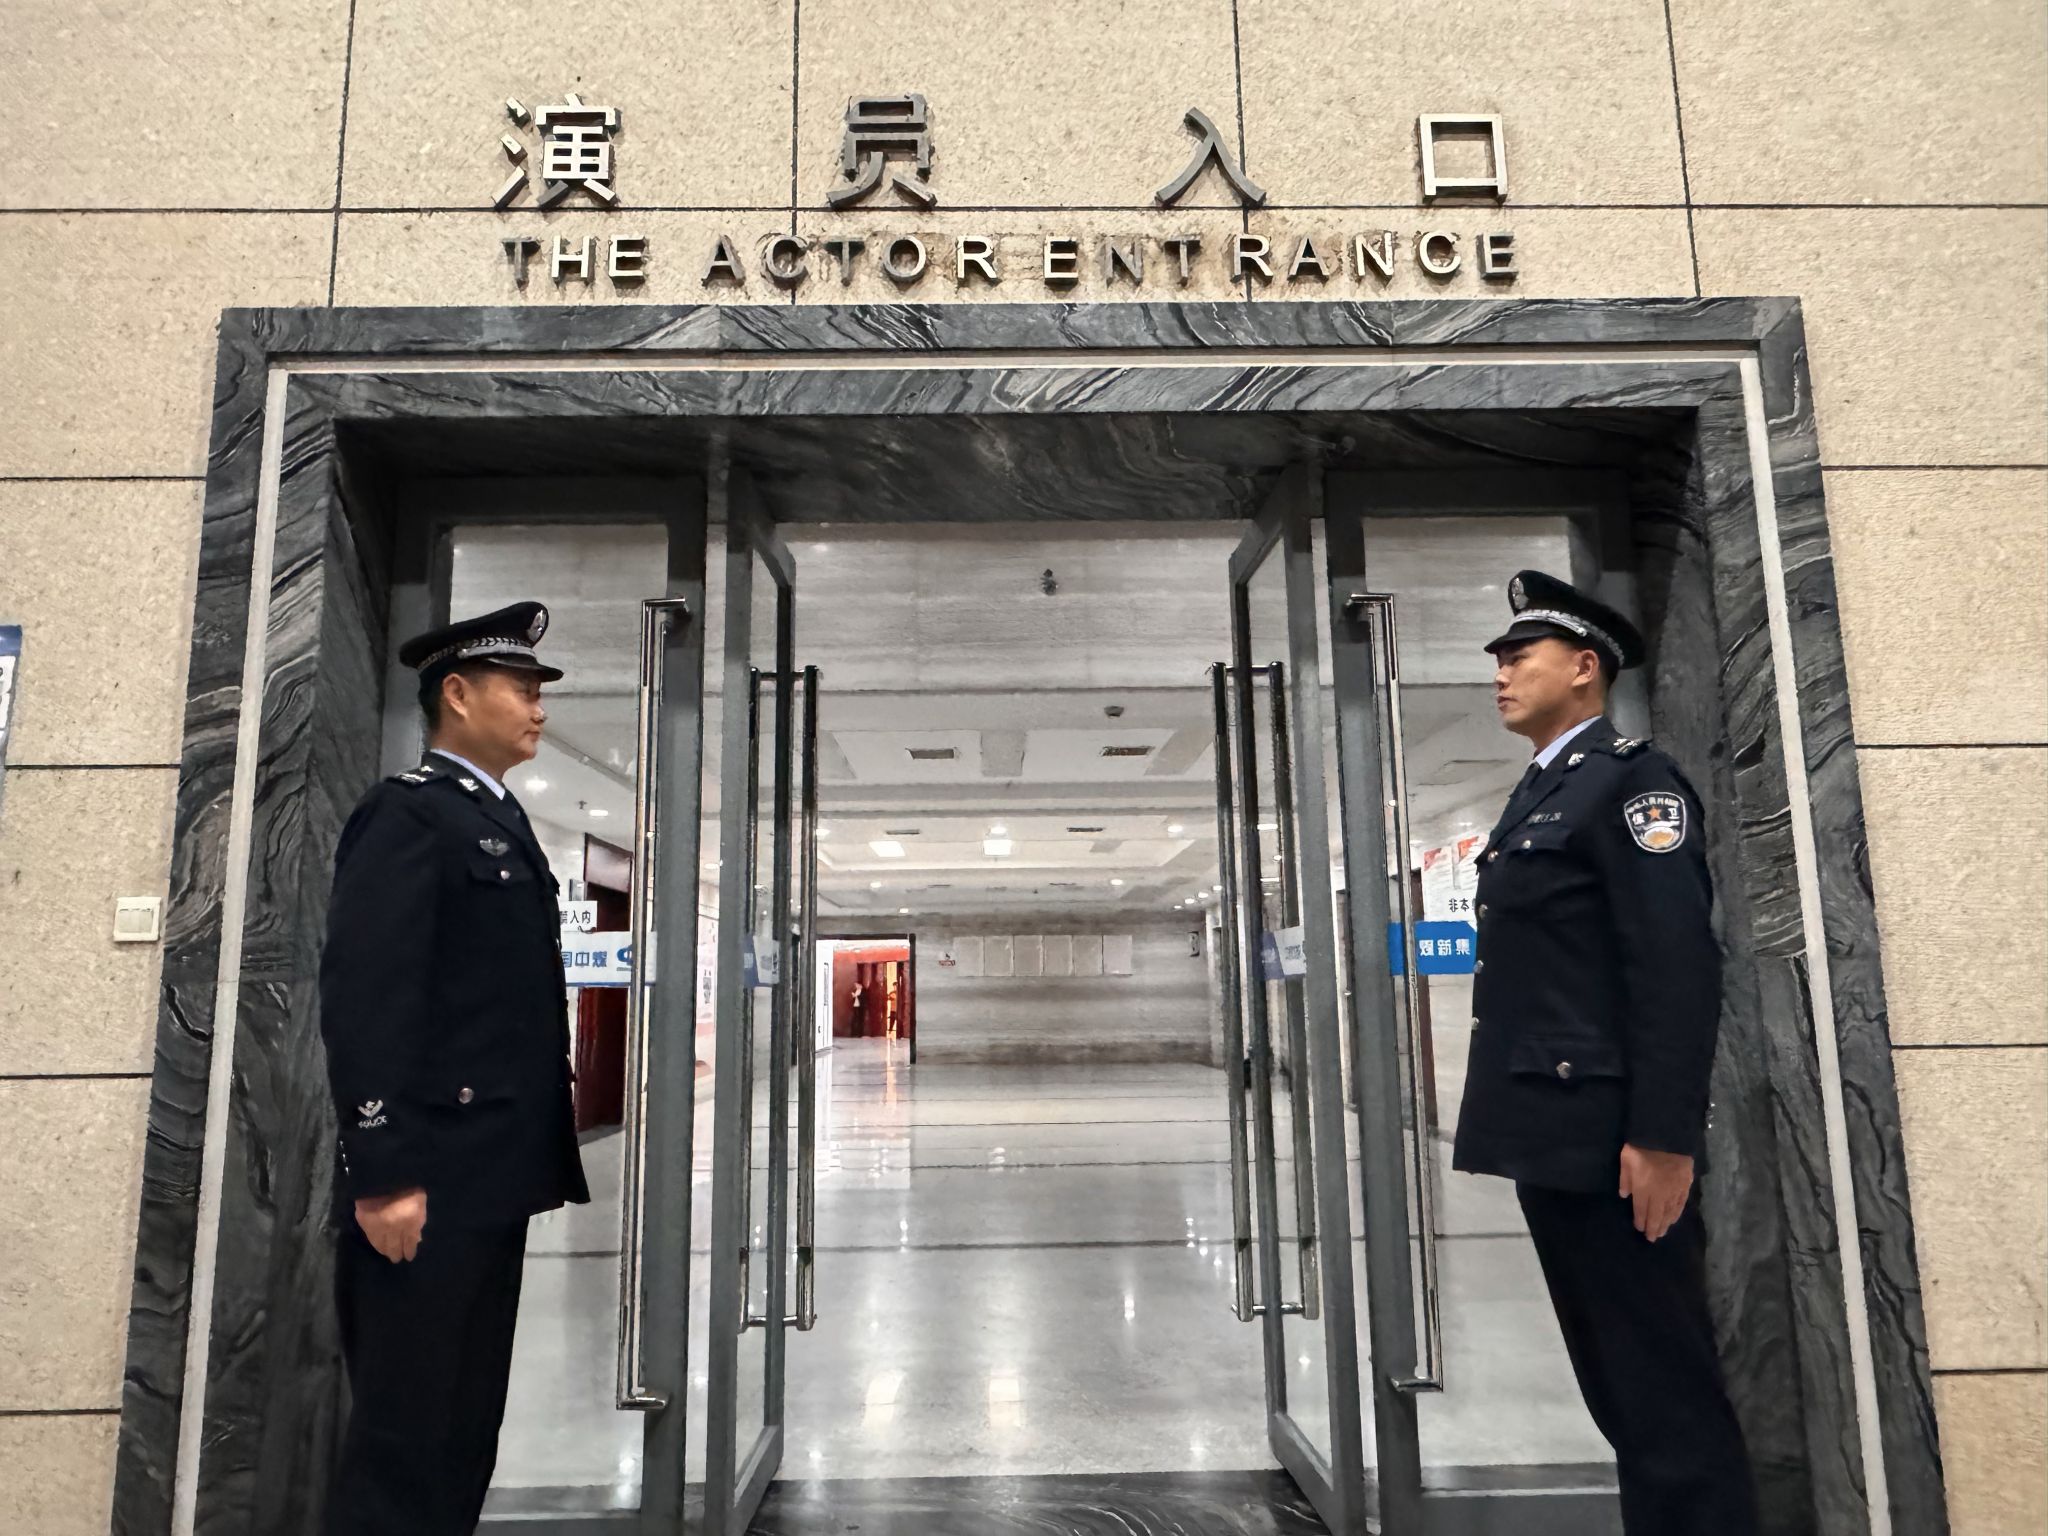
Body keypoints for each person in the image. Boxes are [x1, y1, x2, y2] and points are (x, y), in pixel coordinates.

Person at [1452, 570, 1759, 1535]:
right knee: (1620, 1388)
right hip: (1556, 1136)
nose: (1501, 674)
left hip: (1615, 1145)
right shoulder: (1547, 787)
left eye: (1520, 656)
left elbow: (1675, 967)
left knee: (1660, 1388)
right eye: (1499, 659)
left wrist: (1665, 1137)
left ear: (1585, 668)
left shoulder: (1633, 784)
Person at [319, 601, 589, 1535]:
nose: (539, 707)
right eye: (522, 688)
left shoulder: (496, 819)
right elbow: (368, 996)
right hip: (426, 1181)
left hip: (490, 1176)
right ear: (459, 694)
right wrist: (384, 1171)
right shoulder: (408, 813)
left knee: (466, 1425)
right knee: (405, 1434)